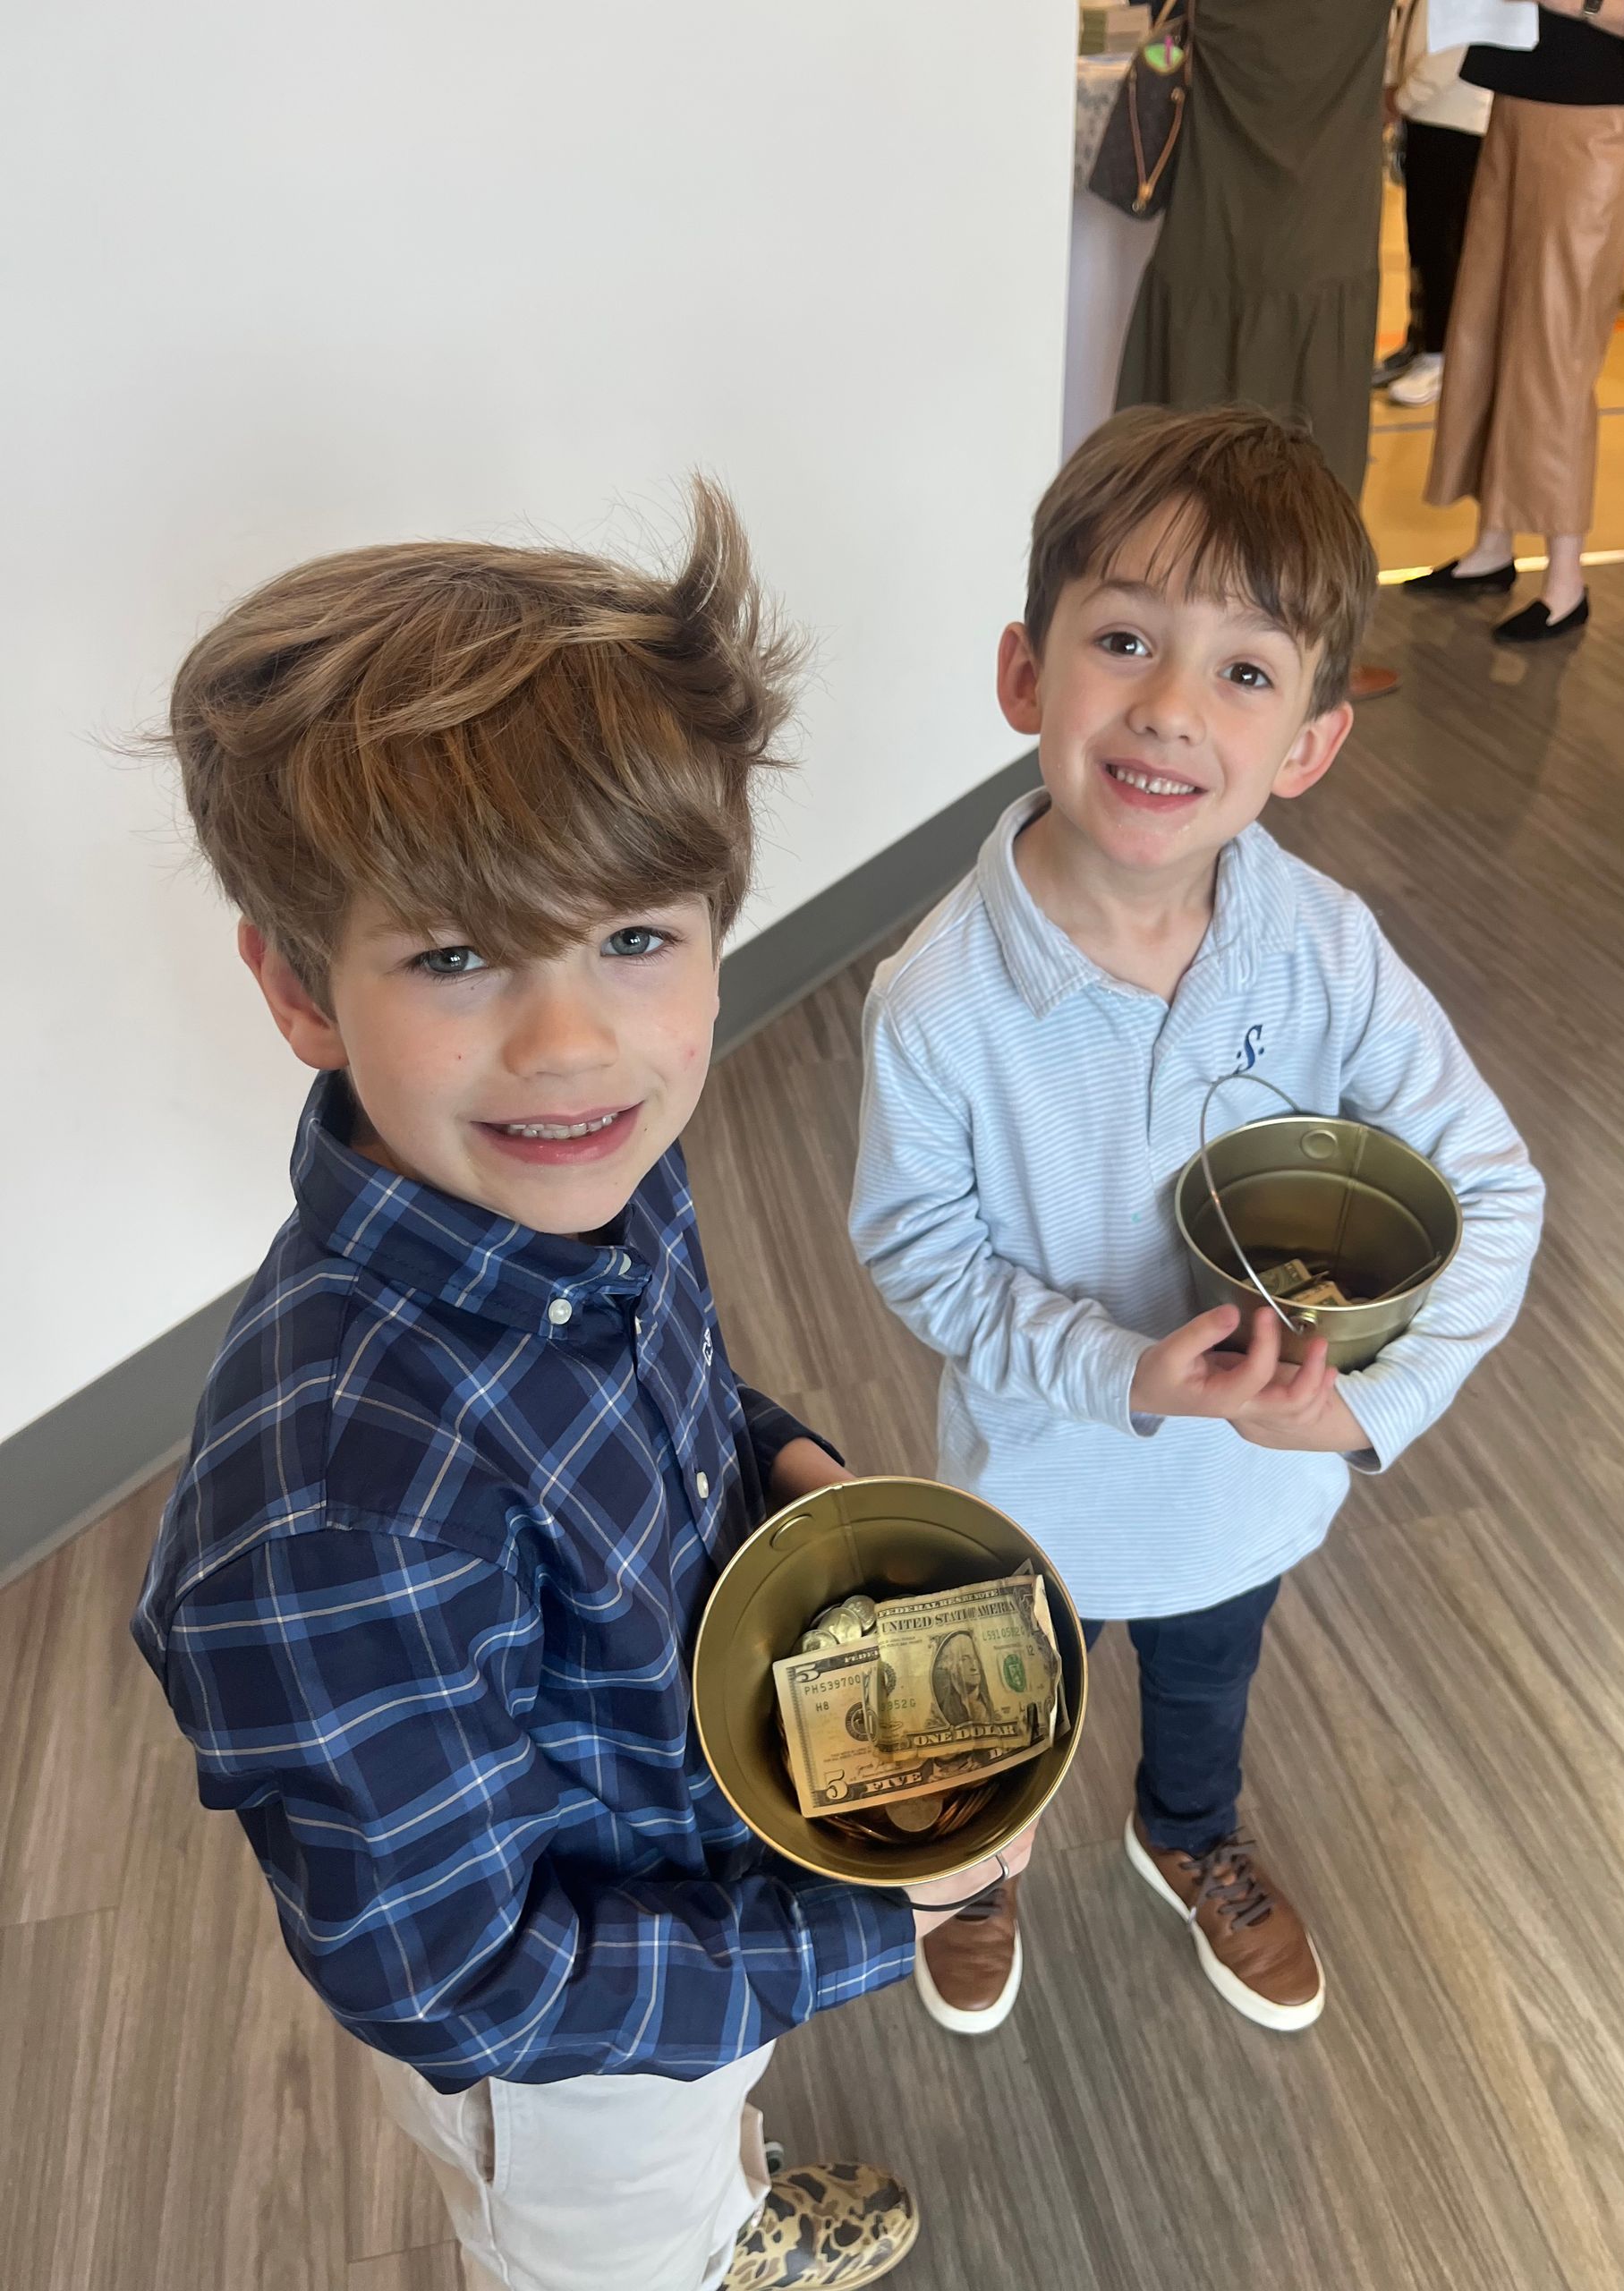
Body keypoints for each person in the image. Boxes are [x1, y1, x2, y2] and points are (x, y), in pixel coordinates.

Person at [131, 490, 1035, 2291]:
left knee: (703, 2125)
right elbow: (467, 1974)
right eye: (458, 955)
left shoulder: (580, 1168)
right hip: (566, 2070)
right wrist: (874, 1913)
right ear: (300, 985)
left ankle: (721, 2211)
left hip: (693, 1860)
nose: (570, 1041)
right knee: (606, 2241)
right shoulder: (338, 1508)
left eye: (635, 935)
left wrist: (768, 1452)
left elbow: (657, 1370)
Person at [850, 406, 1543, 2040]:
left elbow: (1494, 1184)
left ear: (1307, 740)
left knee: (1208, 1686)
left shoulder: (1326, 948)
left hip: (1249, 1497)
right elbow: (919, 1252)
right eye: (1123, 640)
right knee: (995, 1708)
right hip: (1030, 1483)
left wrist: (1368, 1408)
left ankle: (1188, 1837)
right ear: (1027, 675)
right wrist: (1119, 1372)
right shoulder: (939, 999)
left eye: (1244, 670)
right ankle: (978, 1870)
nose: (1169, 706)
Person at [1115, 0, 1403, 701]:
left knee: (1194, 413)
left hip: (1217, 220)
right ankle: (1307, 658)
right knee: (1315, 415)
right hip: (1320, 219)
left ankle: (1158, 632)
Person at [1412, 0, 1624, 643]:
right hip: (1522, 98)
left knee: (1555, 341)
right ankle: (1491, 544)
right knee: (1484, 321)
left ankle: (1566, 581)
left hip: (1604, 119)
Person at [1380, 0, 1492, 407]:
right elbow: (1403, 26)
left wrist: (1401, 99)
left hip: (1458, 123)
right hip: (1425, 118)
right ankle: (1420, 338)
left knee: (1444, 245)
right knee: (1422, 242)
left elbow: (1452, 51)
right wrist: (1391, 86)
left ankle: (1441, 355)